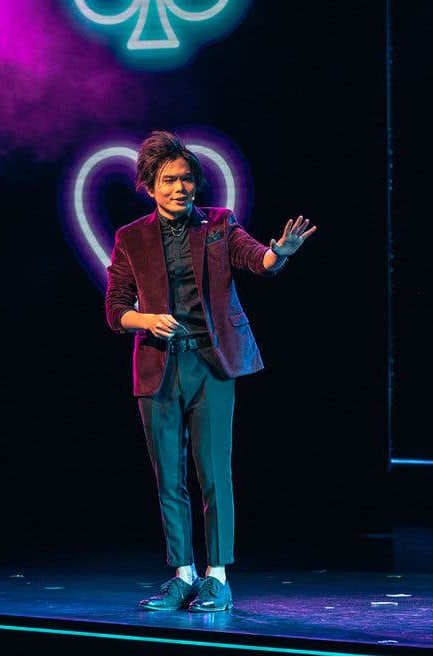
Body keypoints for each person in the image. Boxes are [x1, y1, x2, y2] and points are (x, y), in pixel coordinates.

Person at [104, 131, 315, 612]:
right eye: (169, 180)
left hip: (211, 364)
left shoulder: (218, 224)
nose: (180, 187)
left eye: (186, 179)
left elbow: (254, 258)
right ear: (149, 186)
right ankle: (182, 574)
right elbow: (115, 309)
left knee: (214, 470)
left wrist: (277, 253)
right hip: (158, 365)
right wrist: (148, 319)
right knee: (168, 476)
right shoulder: (130, 238)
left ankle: (216, 576)